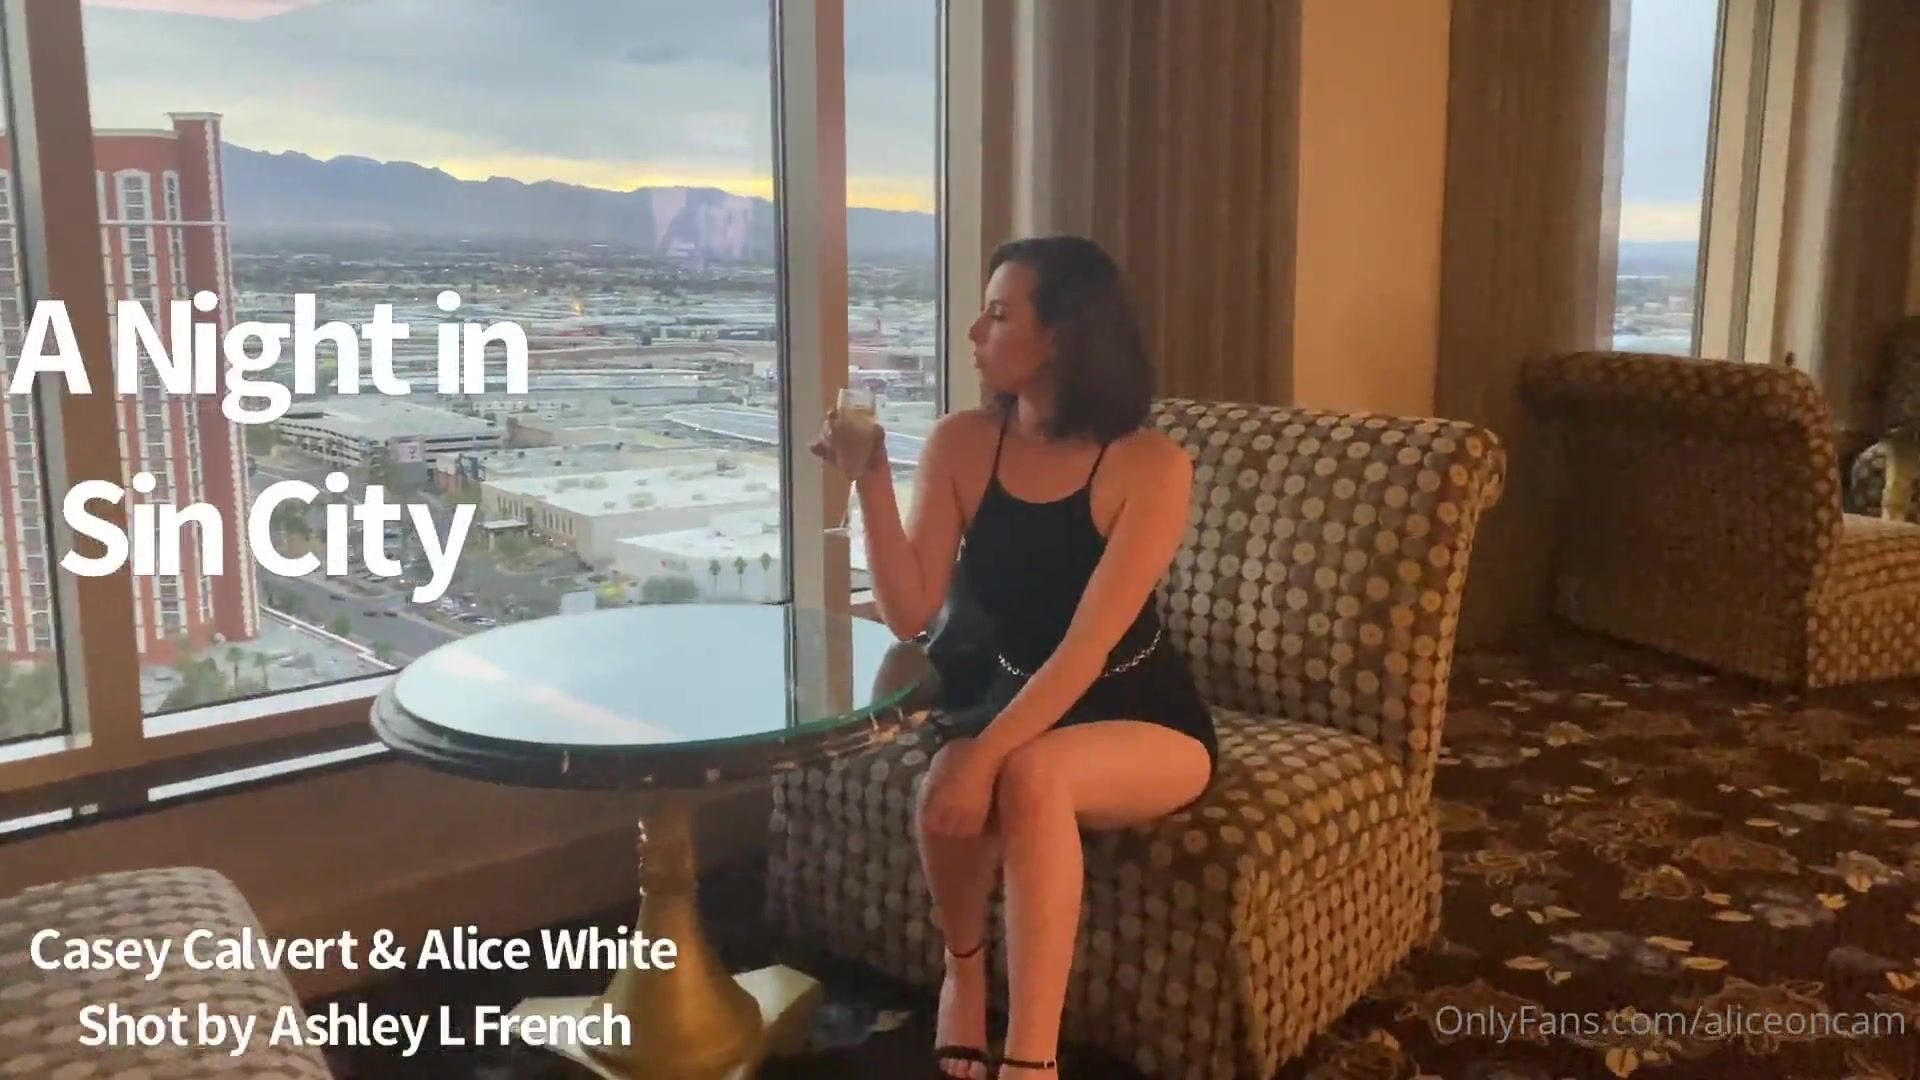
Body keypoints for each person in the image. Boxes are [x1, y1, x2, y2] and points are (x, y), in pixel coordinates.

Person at [811, 236, 1217, 1078]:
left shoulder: (1151, 466)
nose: (973, 333)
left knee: (1025, 775)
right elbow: (910, 612)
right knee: (949, 785)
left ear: (1062, 337)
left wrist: (986, 755)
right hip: (1006, 690)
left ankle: (1033, 1061)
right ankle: (964, 974)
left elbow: (1086, 649)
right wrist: (871, 478)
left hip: (1136, 709)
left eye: (998, 315)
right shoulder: (963, 443)